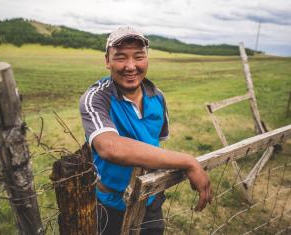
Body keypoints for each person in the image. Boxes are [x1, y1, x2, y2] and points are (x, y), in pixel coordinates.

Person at [79, 26, 212, 235]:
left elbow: (155, 143)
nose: (131, 66)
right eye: (121, 57)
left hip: (150, 198)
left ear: (147, 59)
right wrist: (188, 161)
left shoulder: (157, 97)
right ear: (107, 61)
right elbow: (109, 147)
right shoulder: (96, 98)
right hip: (108, 206)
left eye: (138, 57)